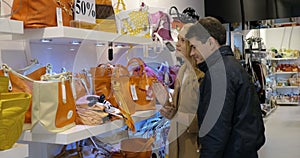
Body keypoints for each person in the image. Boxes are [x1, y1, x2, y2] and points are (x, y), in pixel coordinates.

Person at [185, 16, 266, 158]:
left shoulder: (218, 74)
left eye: (194, 46)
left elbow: (215, 132)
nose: (192, 53)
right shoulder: (231, 65)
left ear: (210, 42)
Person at [159, 23, 204, 158]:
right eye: (177, 39)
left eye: (182, 40)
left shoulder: (203, 75)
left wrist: (178, 116)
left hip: (192, 146)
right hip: (176, 143)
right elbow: (177, 109)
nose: (177, 44)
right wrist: (166, 103)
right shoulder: (182, 70)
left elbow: (206, 118)